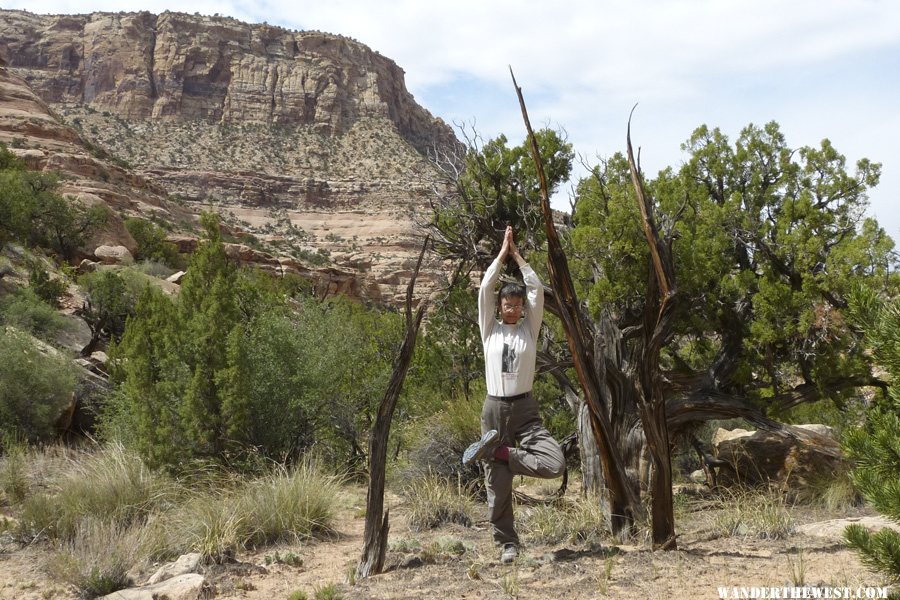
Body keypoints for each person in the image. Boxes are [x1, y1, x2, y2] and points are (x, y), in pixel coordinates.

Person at [462, 225, 565, 564]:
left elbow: (536, 288)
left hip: (525, 411)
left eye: (517, 304)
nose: (512, 308)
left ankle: (501, 452)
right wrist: (500, 255)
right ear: (500, 306)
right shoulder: (488, 329)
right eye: (507, 303)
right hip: (493, 409)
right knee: (498, 487)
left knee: (554, 463)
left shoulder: (528, 331)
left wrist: (518, 256)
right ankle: (507, 544)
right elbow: (485, 289)